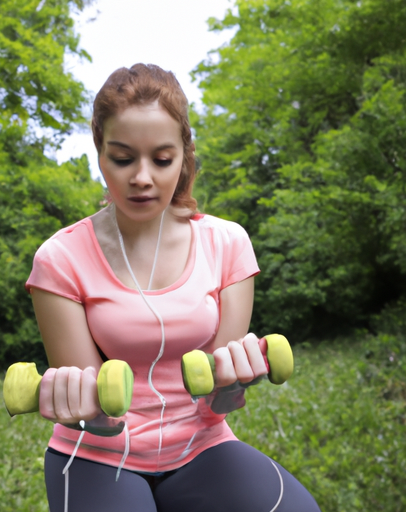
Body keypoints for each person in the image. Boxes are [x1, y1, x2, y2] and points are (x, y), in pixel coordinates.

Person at [25, 63, 321, 512]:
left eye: (161, 159)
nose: (142, 177)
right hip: (98, 455)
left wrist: (234, 382)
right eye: (123, 158)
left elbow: (217, 399)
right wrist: (84, 409)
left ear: (185, 156)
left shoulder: (227, 243)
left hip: (200, 447)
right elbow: (98, 412)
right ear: (100, 153)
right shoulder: (59, 258)